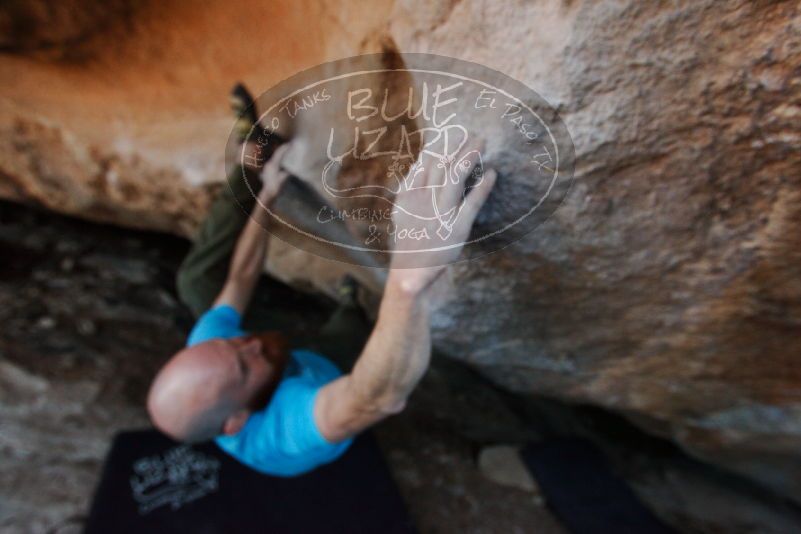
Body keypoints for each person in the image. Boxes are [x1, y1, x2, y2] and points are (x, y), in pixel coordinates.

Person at [147, 86, 497, 476]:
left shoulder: (212, 355)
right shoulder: (283, 432)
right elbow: (373, 399)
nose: (252, 344)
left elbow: (241, 276)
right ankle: (350, 306)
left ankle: (252, 164)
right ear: (236, 421)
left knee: (198, 288)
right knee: (350, 336)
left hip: (293, 365)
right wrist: (407, 283)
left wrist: (269, 195)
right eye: (245, 367)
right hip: (329, 371)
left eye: (234, 343)